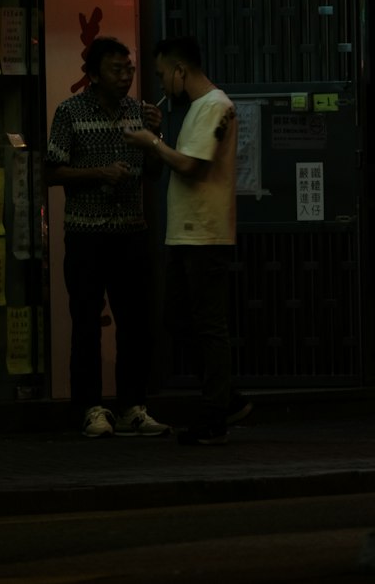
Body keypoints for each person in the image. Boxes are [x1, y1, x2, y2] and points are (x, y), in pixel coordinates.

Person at [127, 35, 251, 445]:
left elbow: (192, 166)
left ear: (181, 70)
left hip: (205, 234)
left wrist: (152, 142)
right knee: (178, 319)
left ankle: (216, 413)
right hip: (185, 233)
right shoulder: (196, 108)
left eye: (163, 74)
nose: (161, 84)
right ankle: (226, 398)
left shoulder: (216, 105)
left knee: (207, 324)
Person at [44, 36, 170, 439]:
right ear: (93, 75)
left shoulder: (141, 113)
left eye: (129, 69)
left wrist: (156, 139)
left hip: (132, 233)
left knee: (136, 323)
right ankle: (91, 408)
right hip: (86, 235)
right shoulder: (70, 112)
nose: (126, 77)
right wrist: (100, 173)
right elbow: (52, 172)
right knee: (86, 324)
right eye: (117, 70)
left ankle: (133, 406)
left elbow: (154, 175)